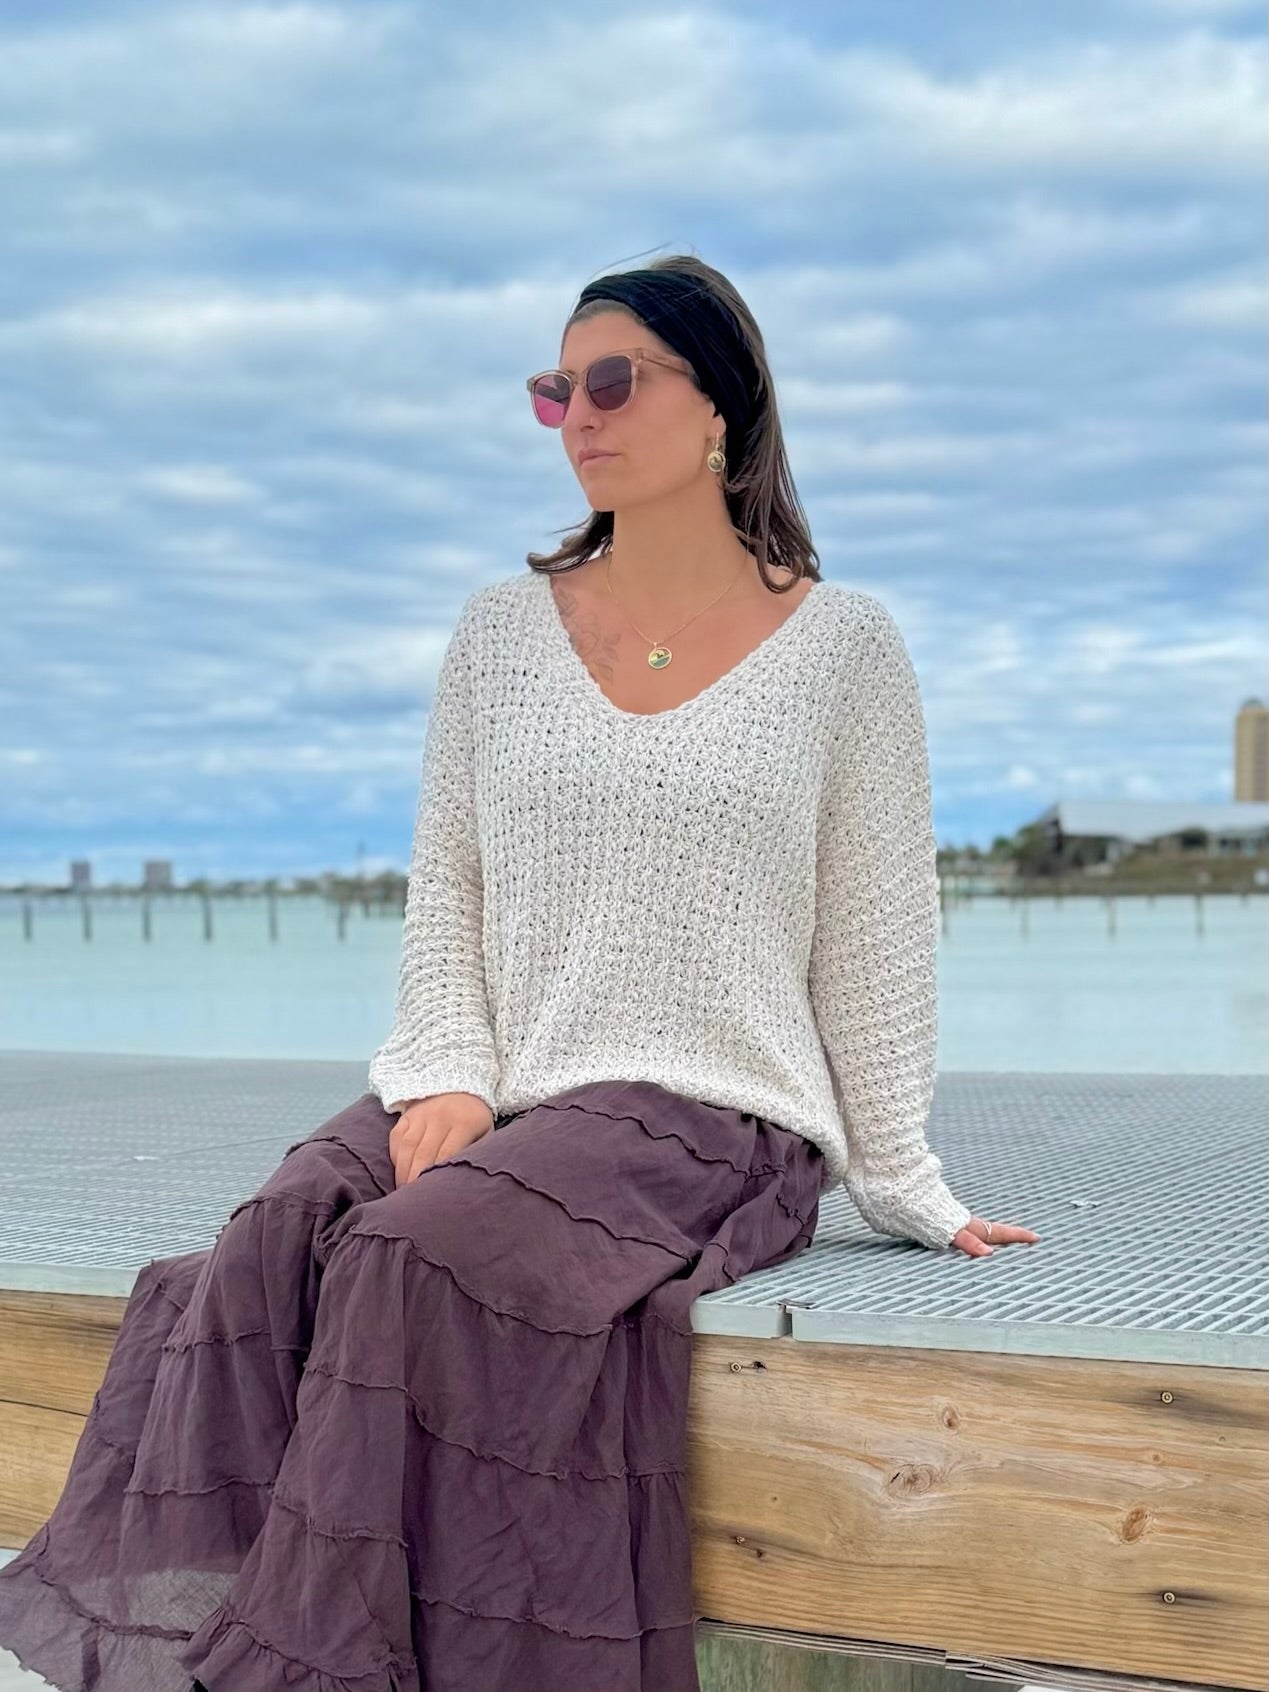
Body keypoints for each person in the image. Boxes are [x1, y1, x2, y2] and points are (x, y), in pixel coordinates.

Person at [0, 252, 1038, 1692]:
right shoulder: (500, 628)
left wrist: (906, 1183)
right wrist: (447, 1078)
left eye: (611, 381)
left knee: (412, 1259)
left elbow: (872, 934)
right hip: (510, 1077)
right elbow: (452, 890)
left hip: (703, 1114)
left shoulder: (844, 646)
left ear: (722, 407)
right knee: (276, 1233)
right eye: (555, 389)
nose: (576, 415)